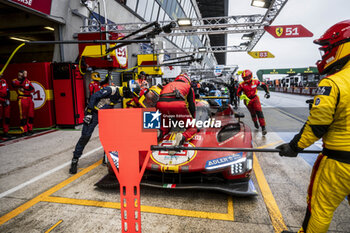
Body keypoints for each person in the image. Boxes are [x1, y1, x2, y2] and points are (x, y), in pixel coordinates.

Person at [277, 20, 350, 233]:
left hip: (340, 162)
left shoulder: (333, 82)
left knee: (320, 210)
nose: (324, 54)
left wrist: (294, 147)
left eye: (327, 48)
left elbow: (318, 126)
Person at [69, 81, 140, 174]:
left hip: (105, 115)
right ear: (127, 90)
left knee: (110, 137)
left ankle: (106, 157)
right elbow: (94, 96)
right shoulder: (111, 90)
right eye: (131, 94)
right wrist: (89, 113)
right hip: (93, 114)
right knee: (85, 136)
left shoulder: (121, 95)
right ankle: (75, 160)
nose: (131, 96)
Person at [156, 73, 197, 152]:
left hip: (161, 104)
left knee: (165, 125)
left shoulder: (168, 84)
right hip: (177, 104)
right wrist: (192, 119)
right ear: (188, 81)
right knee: (192, 128)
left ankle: (159, 132)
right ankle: (182, 137)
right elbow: (192, 105)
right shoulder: (188, 87)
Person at [237, 69, 270, 135]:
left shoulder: (256, 82)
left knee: (259, 112)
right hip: (247, 100)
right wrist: (242, 96)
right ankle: (255, 122)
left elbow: (263, 85)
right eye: (244, 78)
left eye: (247, 77)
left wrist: (267, 92)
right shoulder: (241, 85)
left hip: (255, 99)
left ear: (250, 76)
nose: (246, 79)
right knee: (252, 113)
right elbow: (238, 92)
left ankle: (263, 128)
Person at [12, 70, 35, 136]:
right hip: (22, 99)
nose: (20, 76)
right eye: (20, 75)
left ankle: (30, 129)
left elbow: (32, 89)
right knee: (23, 116)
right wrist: (27, 90)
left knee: (31, 115)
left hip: (29, 99)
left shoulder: (27, 81)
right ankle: (24, 130)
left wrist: (24, 90)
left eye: (22, 75)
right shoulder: (15, 80)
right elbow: (19, 84)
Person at [0, 73, 13, 139]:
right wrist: (3, 100)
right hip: (1, 101)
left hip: (5, 101)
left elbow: (7, 90)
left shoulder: (3, 81)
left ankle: (6, 132)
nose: (2, 74)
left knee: (6, 118)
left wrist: (7, 99)